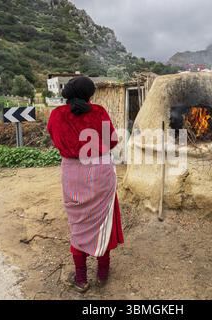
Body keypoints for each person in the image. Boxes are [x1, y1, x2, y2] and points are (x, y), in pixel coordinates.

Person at [47, 76, 124, 293]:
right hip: (100, 171)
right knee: (103, 221)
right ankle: (102, 272)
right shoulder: (98, 112)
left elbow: (54, 137)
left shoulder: (56, 115)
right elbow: (112, 141)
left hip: (73, 173)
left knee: (78, 223)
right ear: (90, 94)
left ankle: (81, 278)